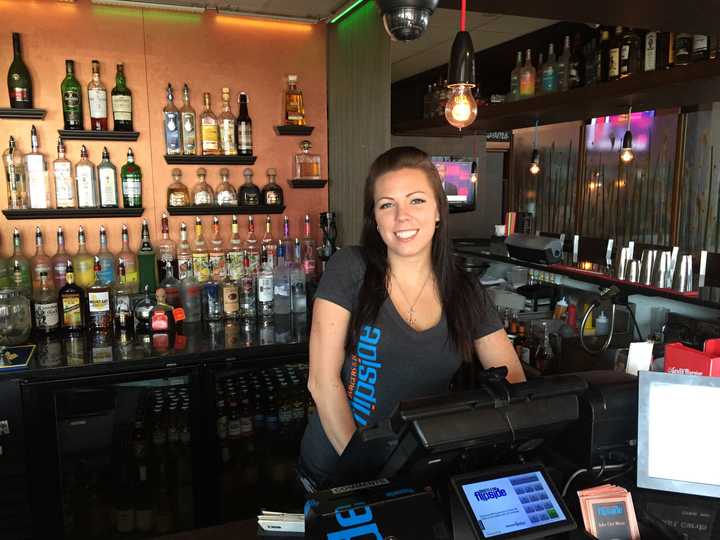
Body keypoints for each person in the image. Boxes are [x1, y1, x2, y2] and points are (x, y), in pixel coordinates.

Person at [298, 146, 525, 490]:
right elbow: (321, 380)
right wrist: (369, 478)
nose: (402, 216)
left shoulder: (465, 290)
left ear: (438, 211)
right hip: (337, 472)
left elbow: (513, 383)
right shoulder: (351, 268)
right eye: (387, 204)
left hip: (419, 473)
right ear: (375, 218)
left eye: (417, 200)